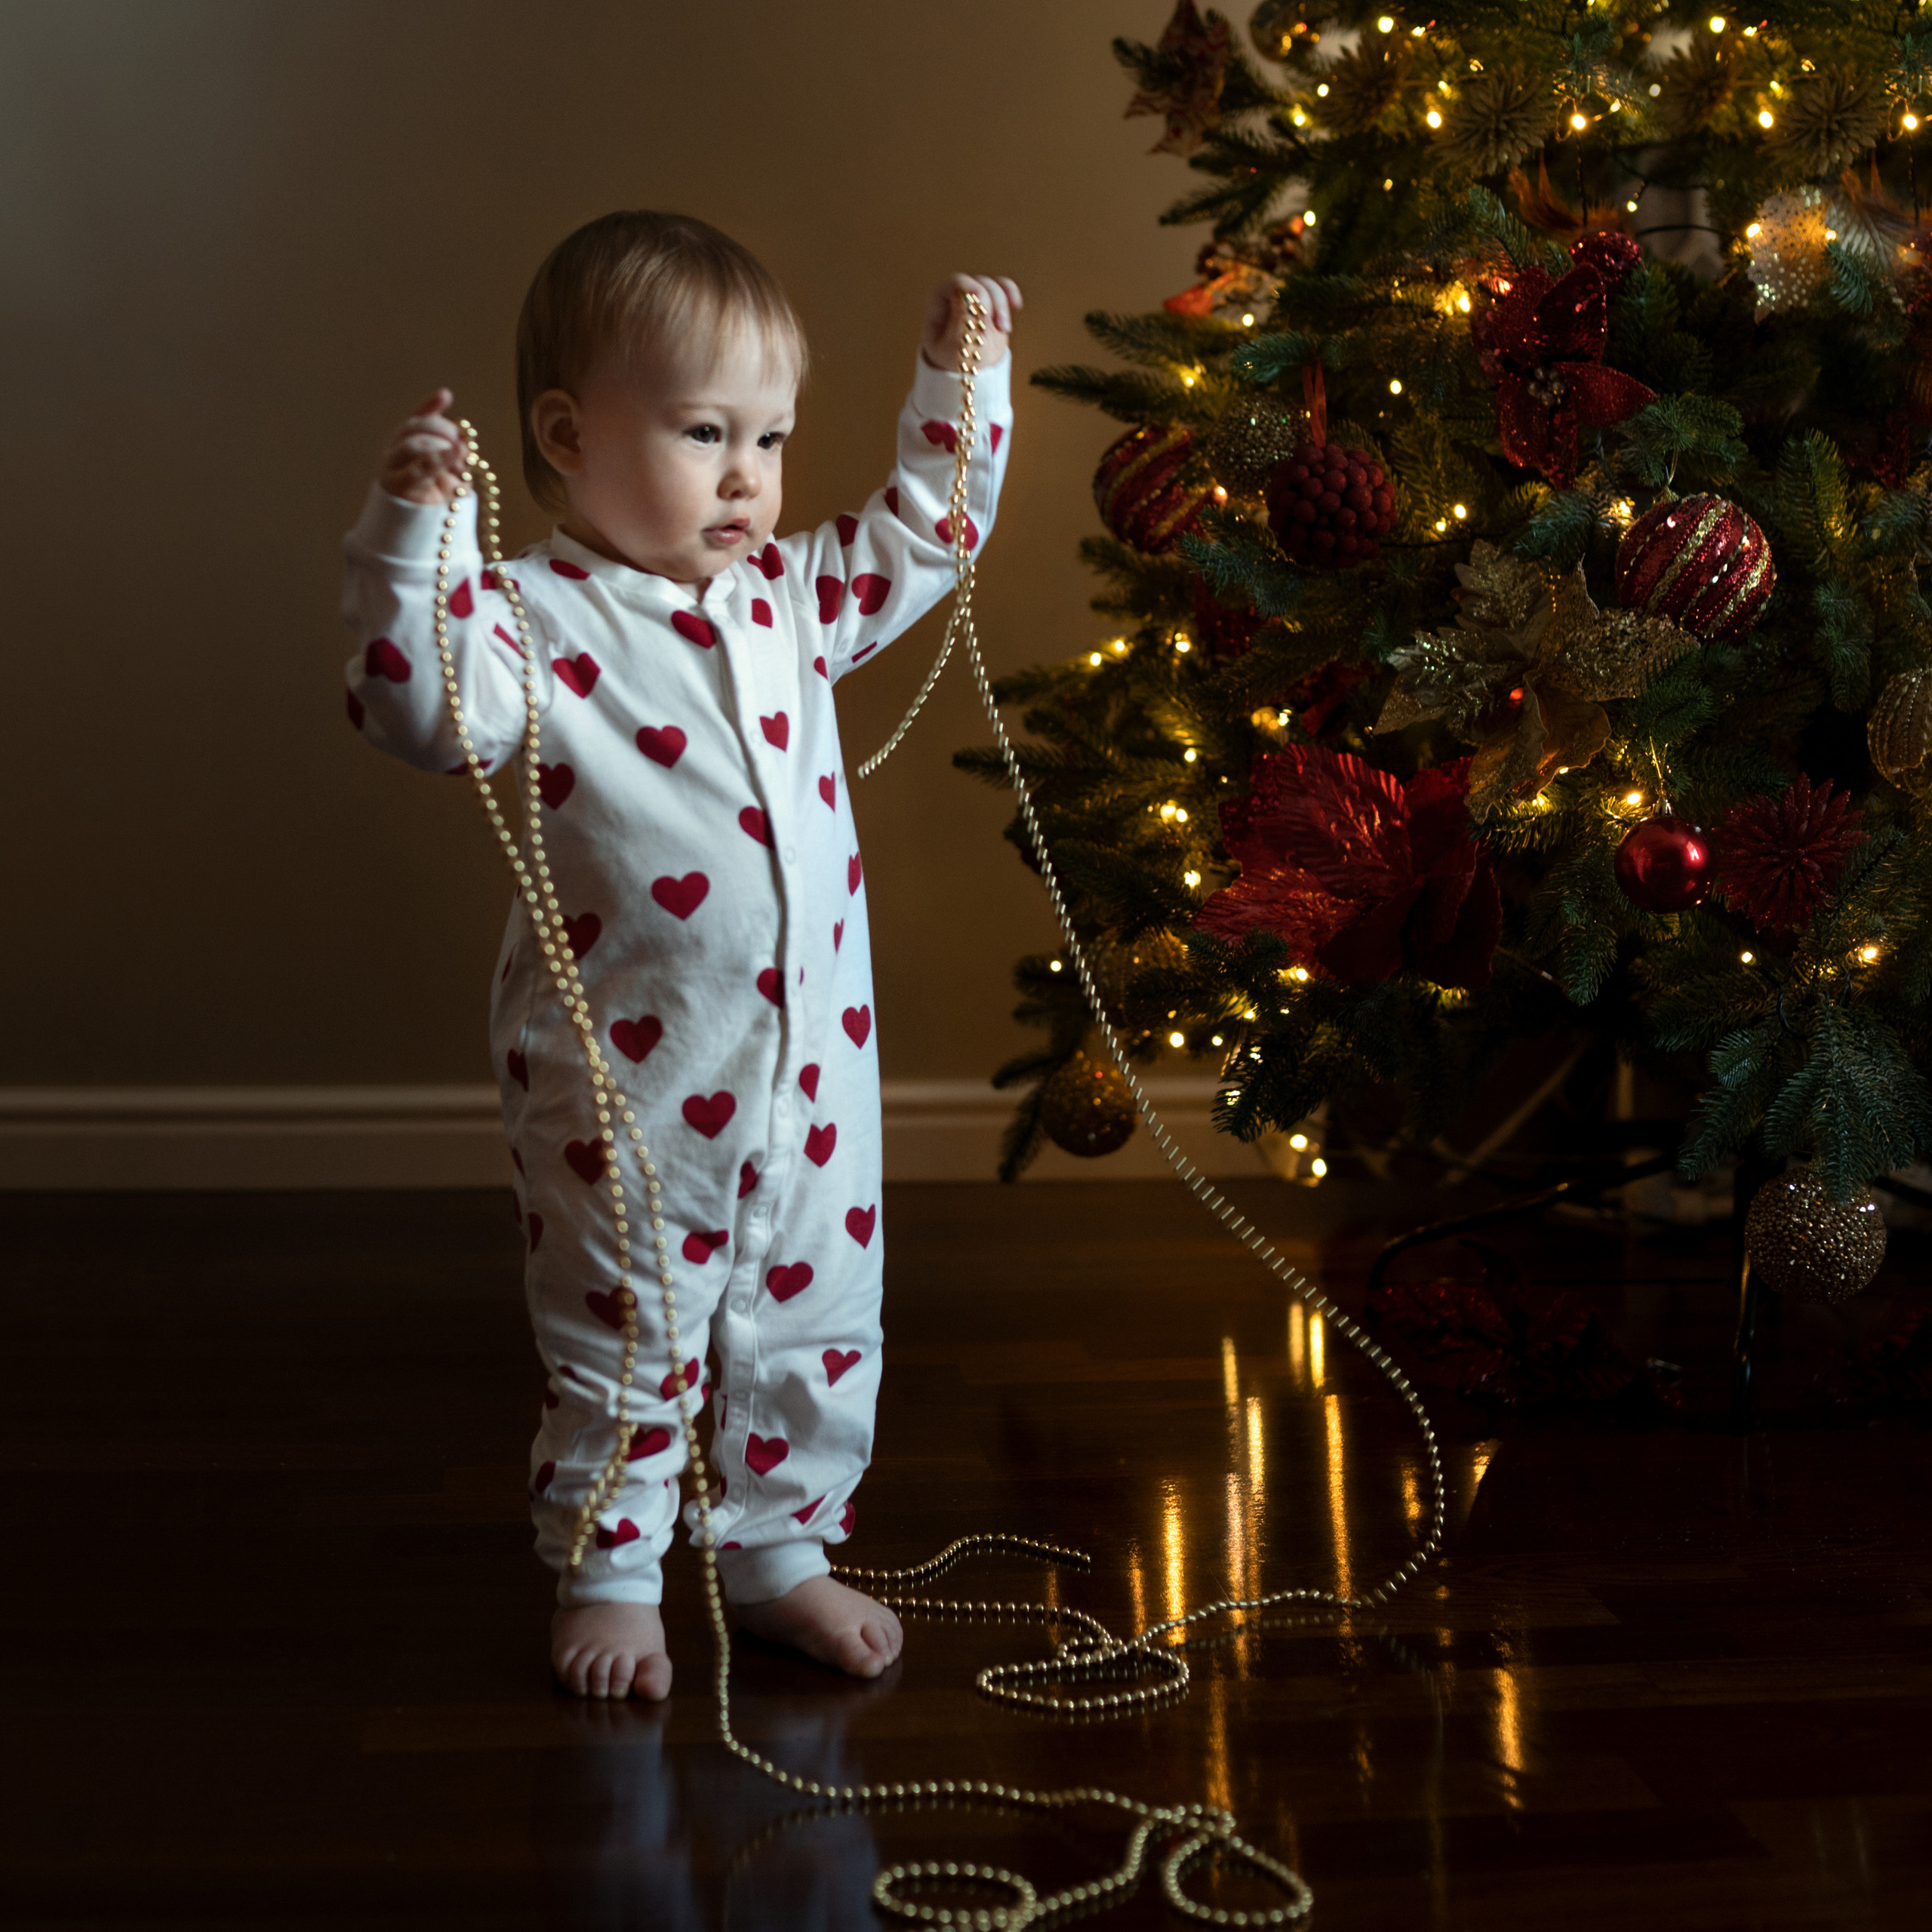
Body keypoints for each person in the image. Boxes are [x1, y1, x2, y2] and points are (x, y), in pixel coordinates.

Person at [340, 209, 1017, 1699]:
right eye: (706, 431)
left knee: (817, 1304)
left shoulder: (786, 598)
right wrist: (416, 534)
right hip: (628, 1067)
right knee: (630, 1311)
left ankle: (777, 1545)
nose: (747, 477)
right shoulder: (529, 623)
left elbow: (925, 531)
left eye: (769, 438)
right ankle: (610, 1557)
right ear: (566, 436)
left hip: (812, 1068)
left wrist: (961, 381)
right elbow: (414, 704)